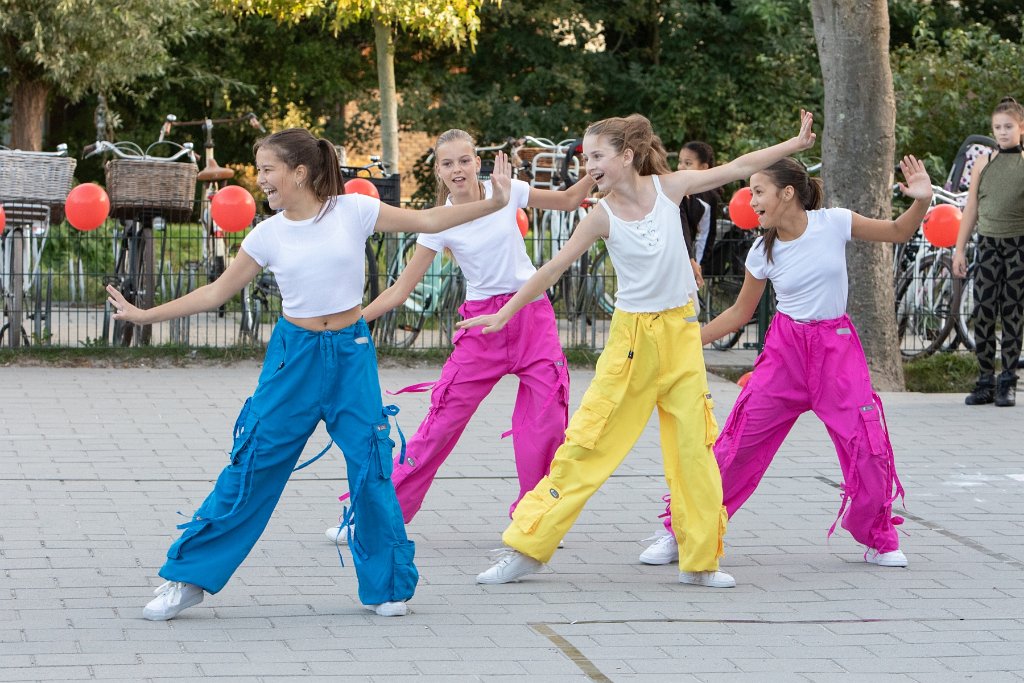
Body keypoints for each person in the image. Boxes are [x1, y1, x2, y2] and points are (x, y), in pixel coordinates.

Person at [107, 128, 513, 620]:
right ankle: (187, 579)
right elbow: (215, 294)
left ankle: (386, 586)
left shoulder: (353, 210)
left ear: (299, 172)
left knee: (371, 465)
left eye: (268, 171)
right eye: (259, 172)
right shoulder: (268, 234)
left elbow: (429, 218)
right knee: (252, 465)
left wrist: (495, 203)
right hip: (293, 358)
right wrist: (144, 315)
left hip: (350, 354)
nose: (262, 182)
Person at [459, 111, 817, 588]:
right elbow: (550, 270)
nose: (590, 165)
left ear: (627, 156)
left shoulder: (669, 188)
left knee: (695, 451)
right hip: (632, 344)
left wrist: (792, 144)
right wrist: (506, 313)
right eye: (587, 158)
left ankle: (701, 558)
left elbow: (737, 166)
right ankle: (527, 547)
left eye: (598, 156)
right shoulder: (600, 216)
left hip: (681, 337)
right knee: (588, 446)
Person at [639, 155, 933, 569]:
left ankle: (877, 536)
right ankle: (681, 531)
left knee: (868, 446)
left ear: (787, 192)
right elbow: (740, 314)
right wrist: (687, 340)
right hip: (785, 355)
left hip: (837, 353)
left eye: (758, 191)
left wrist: (921, 199)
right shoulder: (761, 250)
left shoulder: (834, 223)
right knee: (736, 447)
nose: (750, 200)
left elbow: (899, 230)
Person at [324, 128, 595, 543]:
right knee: (439, 425)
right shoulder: (440, 222)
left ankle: (536, 521)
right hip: (481, 328)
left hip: (530, 317)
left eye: (464, 160)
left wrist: (601, 168)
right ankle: (377, 516)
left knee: (547, 425)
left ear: (477, 162)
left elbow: (569, 201)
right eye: (447, 163)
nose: (457, 169)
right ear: (438, 170)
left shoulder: (506, 190)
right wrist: (352, 319)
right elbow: (400, 289)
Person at [953, 96, 1024, 408]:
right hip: (988, 244)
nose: (1002, 132)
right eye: (998, 127)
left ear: (1021, 128)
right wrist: (959, 250)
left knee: (1012, 312)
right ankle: (985, 380)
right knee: (982, 311)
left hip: (1017, 245)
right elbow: (971, 209)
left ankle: (1007, 380)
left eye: (1008, 126)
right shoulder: (984, 162)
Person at [678, 141, 722, 282]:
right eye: (680, 162)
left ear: (704, 168)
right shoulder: (674, 189)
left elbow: (707, 234)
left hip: (685, 259)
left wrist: (698, 264)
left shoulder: (710, 198)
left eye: (688, 163)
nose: (681, 167)